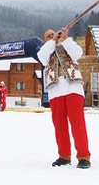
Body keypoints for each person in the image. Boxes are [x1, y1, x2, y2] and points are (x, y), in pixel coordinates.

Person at [38, 27, 91, 169]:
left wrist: (65, 38)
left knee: (77, 123)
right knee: (59, 125)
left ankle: (84, 155)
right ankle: (64, 155)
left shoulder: (67, 45)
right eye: (48, 36)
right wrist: (52, 41)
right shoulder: (45, 51)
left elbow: (77, 53)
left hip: (72, 86)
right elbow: (42, 57)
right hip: (55, 90)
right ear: (45, 40)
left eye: (53, 34)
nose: (52, 36)